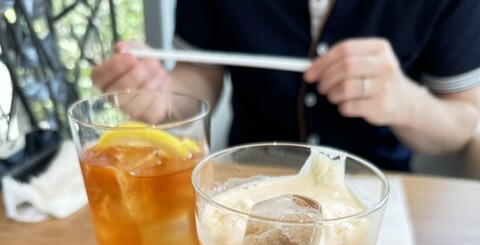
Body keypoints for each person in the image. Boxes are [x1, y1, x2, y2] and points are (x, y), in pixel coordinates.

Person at [92, 0, 480, 171]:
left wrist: (405, 103)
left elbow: (464, 120)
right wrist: (161, 96)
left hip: (378, 192)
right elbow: (198, 73)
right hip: (245, 181)